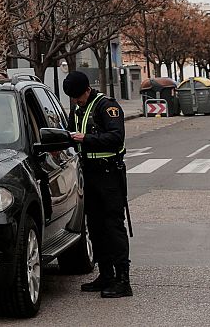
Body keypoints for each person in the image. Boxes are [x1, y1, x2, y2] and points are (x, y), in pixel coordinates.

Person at [65, 70, 131, 298]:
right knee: (95, 227)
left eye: (78, 97)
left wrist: (86, 138)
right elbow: (70, 134)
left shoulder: (107, 106)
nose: (76, 101)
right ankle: (105, 275)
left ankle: (123, 280)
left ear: (87, 90)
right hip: (88, 174)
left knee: (113, 226)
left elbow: (116, 137)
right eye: (73, 98)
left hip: (109, 173)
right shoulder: (77, 109)